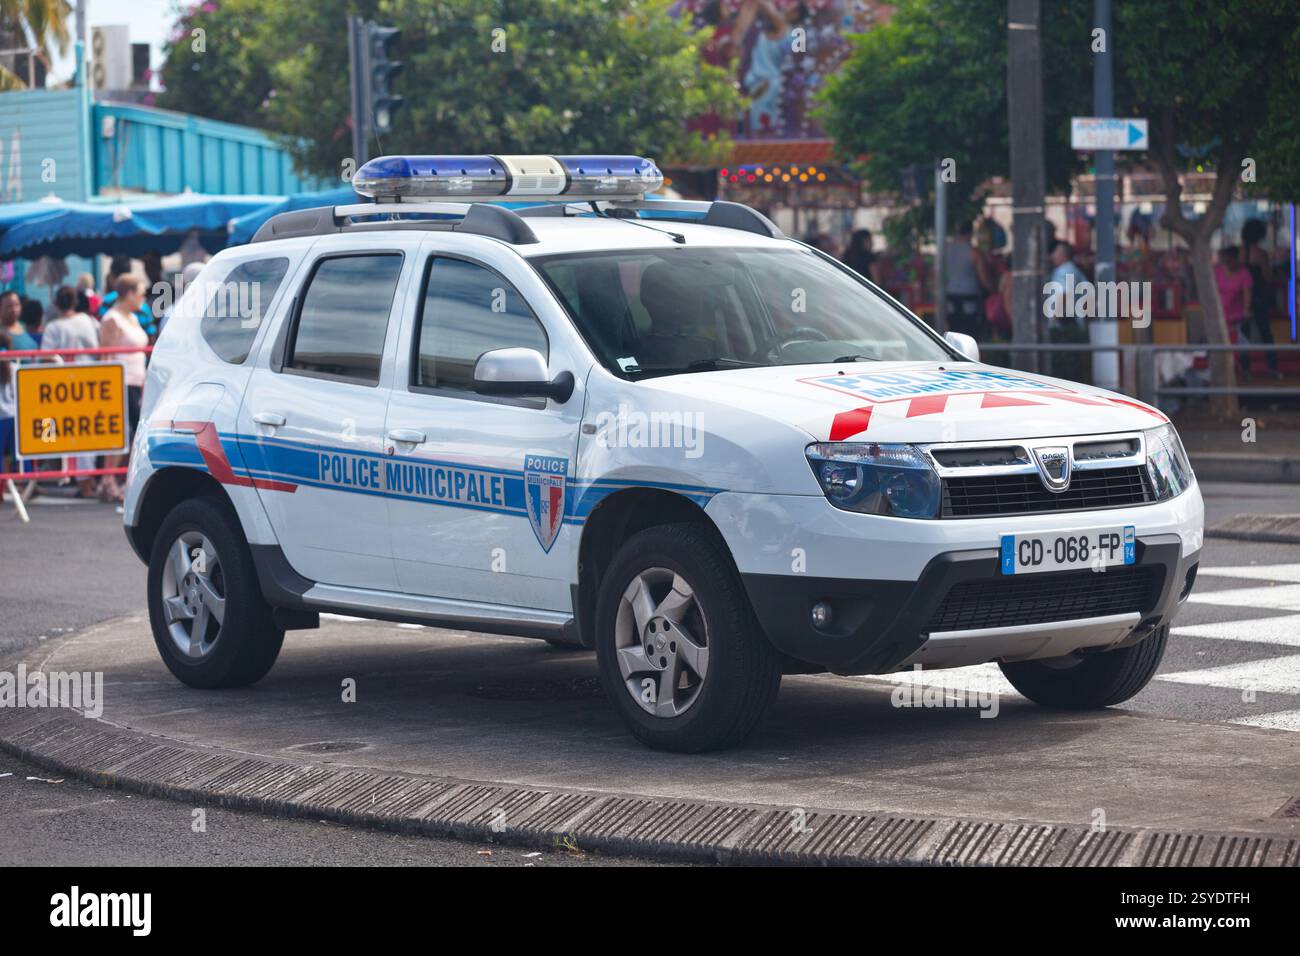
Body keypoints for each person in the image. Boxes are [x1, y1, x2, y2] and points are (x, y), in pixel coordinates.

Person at [43, 286, 103, 498]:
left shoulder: (53, 327)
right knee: (88, 432)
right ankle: (86, 479)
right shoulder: (90, 321)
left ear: (57, 303)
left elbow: (45, 356)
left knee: (64, 431)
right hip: (91, 382)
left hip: (63, 386)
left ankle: (77, 478)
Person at [98, 275, 150, 503]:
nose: (143, 298)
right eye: (140, 293)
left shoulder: (133, 318)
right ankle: (108, 479)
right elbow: (106, 356)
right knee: (121, 433)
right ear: (128, 294)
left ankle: (117, 479)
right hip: (121, 381)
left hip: (138, 381)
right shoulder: (112, 319)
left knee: (134, 432)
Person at [1241, 219, 1279, 377]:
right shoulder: (1261, 254)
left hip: (1242, 298)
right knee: (1266, 334)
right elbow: (1267, 276)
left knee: (1244, 335)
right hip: (1259, 296)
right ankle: (1272, 367)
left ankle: (1245, 369)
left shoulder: (1240, 252)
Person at [944, 221, 991, 338]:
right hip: (970, 299)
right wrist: (993, 290)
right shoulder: (974, 252)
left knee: (954, 333)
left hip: (951, 296)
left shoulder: (946, 250)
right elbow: (984, 279)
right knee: (970, 333)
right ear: (970, 233)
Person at [1214, 245, 1254, 376]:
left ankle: (1244, 369)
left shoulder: (1244, 274)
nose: (1228, 263)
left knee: (1239, 344)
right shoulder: (1218, 271)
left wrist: (1247, 309)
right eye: (1225, 260)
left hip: (1237, 316)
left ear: (1236, 259)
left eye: (1230, 260)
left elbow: (1247, 293)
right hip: (1219, 315)